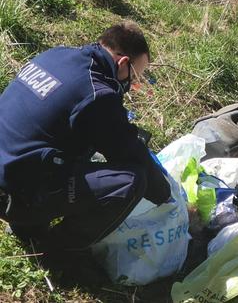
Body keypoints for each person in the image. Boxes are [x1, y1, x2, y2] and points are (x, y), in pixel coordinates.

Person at [0, 21, 170, 254]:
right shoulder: (97, 93)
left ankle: (29, 225)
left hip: (9, 167)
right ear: (122, 63)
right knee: (131, 181)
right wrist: (166, 195)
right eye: (134, 76)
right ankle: (55, 250)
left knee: (77, 142)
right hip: (14, 194)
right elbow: (131, 153)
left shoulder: (56, 54)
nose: (131, 84)